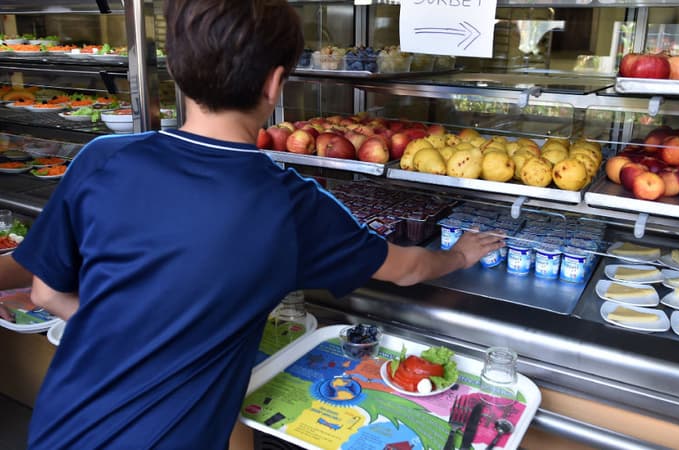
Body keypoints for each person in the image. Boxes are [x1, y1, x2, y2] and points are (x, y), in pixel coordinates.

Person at [11, 1, 505, 449]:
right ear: (274, 83)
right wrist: (459, 255)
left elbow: (45, 294)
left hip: (59, 428)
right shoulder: (289, 205)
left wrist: (127, 333)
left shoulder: (101, 159)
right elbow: (405, 269)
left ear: (178, 72)